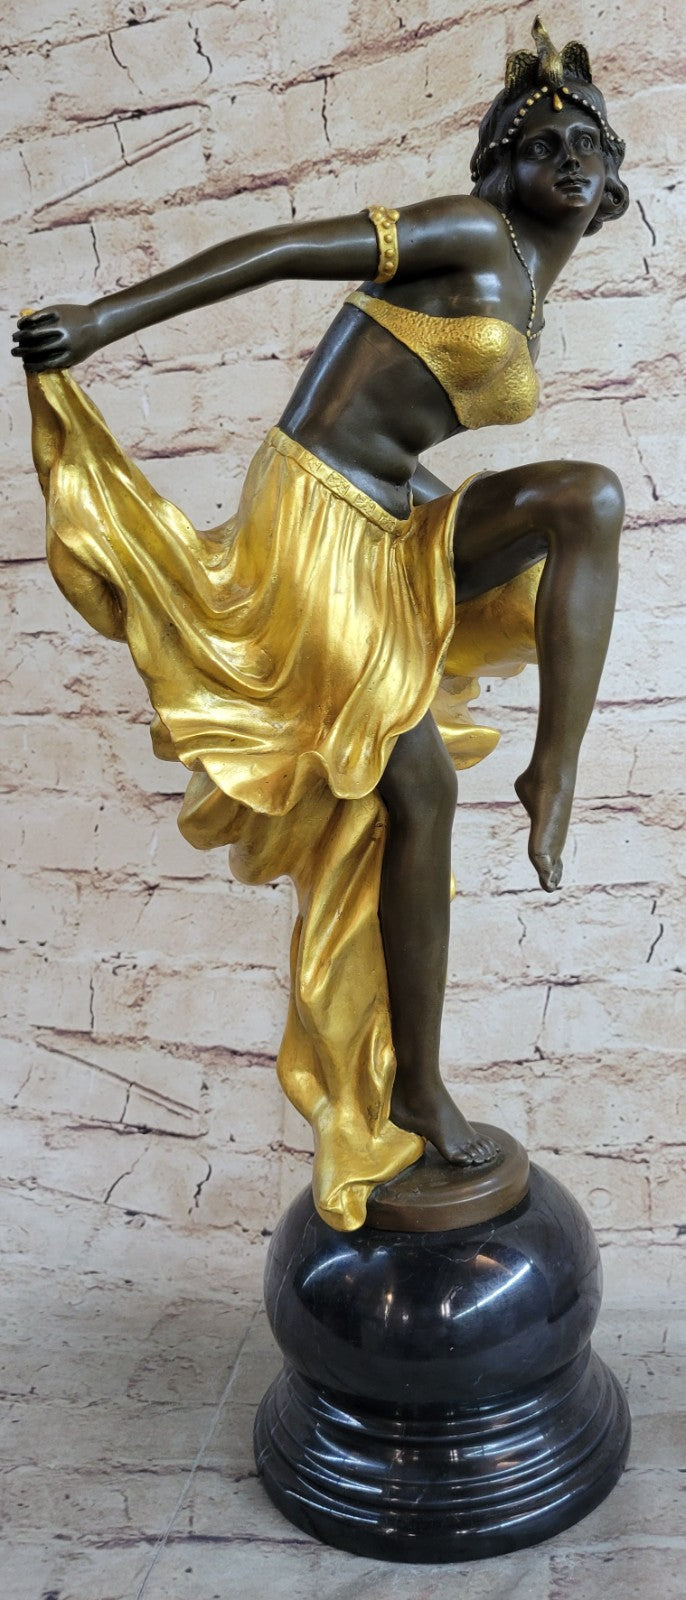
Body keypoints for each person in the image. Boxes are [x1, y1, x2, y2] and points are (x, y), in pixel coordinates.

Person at [13, 19, 629, 1230]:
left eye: (586, 146)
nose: (567, 159)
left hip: (391, 511)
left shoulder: (530, 275)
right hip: (313, 516)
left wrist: (440, 544)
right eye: (541, 142)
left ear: (612, 176)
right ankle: (417, 1093)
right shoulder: (469, 233)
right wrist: (103, 321)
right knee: (416, 788)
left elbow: (402, 427)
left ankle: (551, 769)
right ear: (499, 166)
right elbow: (284, 248)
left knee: (585, 502)